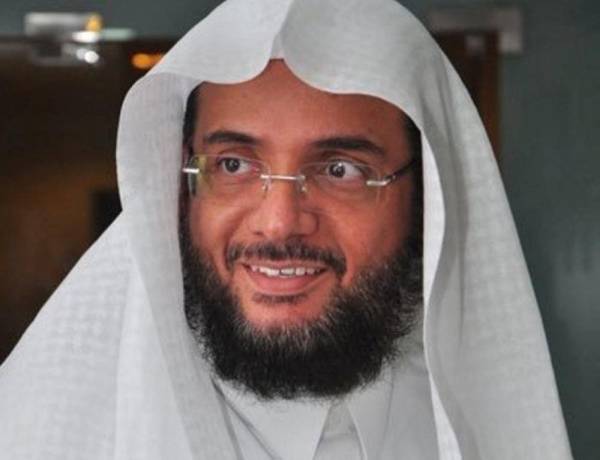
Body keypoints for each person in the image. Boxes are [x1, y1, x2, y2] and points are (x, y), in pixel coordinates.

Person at [0, 0, 572, 459]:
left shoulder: (470, 423)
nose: (278, 221)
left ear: (425, 199)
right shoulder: (45, 435)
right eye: (233, 165)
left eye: (341, 170)